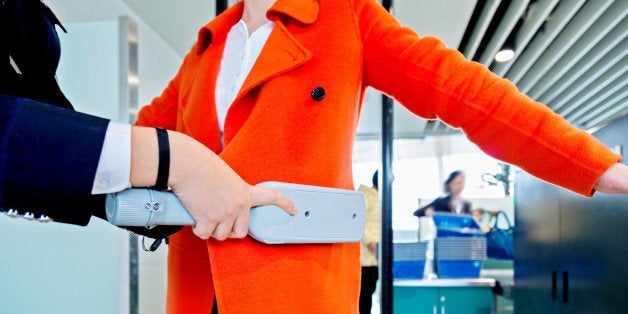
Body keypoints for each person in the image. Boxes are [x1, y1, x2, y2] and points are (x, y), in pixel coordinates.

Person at [135, 0, 628, 312]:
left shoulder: (345, 16)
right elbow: (135, 140)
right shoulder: (204, 50)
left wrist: (597, 165)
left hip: (298, 290)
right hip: (196, 287)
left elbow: (462, 90)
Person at [1, 0, 296, 240]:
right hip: (200, 277)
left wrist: (151, 193)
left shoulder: (339, 23)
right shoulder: (204, 52)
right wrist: (172, 161)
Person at [358, 170, 381, 314]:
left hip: (377, 257)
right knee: (364, 295)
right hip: (365, 257)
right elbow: (357, 221)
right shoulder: (366, 195)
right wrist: (370, 241)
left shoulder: (380, 197)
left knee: (370, 293)